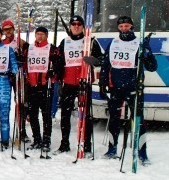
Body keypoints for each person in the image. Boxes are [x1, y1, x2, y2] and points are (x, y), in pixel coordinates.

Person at [99, 15, 157, 164]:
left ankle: (142, 152)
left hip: (134, 87)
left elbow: (152, 67)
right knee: (114, 119)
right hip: (116, 88)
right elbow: (106, 65)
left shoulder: (140, 43)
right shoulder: (113, 43)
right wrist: (102, 83)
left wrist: (147, 55)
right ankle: (112, 149)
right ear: (118, 28)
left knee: (138, 120)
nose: (124, 28)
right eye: (121, 26)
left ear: (132, 26)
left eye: (127, 26)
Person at [54, 16, 103, 154]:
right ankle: (64, 144)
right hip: (68, 83)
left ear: (83, 26)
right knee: (65, 114)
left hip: (84, 82)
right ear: (70, 27)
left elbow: (101, 60)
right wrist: (56, 71)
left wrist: (94, 60)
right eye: (73, 24)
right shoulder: (65, 42)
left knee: (85, 115)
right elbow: (59, 61)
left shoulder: (90, 41)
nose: (76, 26)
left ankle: (86, 144)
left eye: (79, 24)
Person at [23, 26, 60, 151]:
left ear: (46, 36)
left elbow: (59, 64)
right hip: (32, 86)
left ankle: (46, 140)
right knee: (32, 115)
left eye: (42, 34)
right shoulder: (29, 48)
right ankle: (37, 139)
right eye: (38, 34)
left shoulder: (52, 48)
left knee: (46, 115)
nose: (40, 36)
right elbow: (24, 62)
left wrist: (53, 71)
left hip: (46, 86)